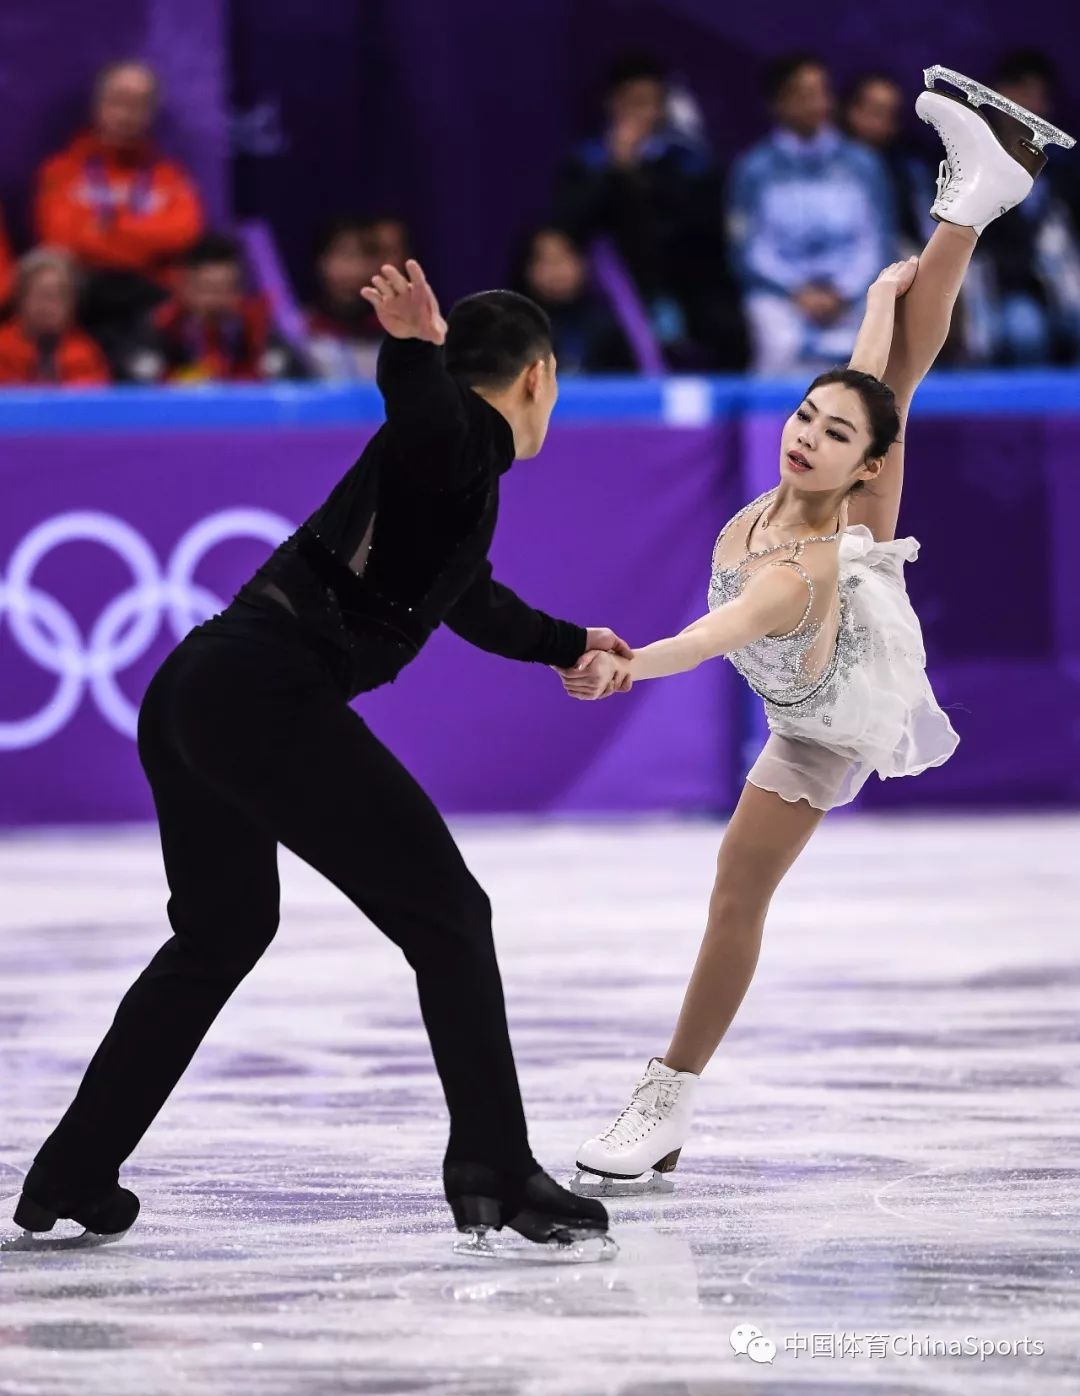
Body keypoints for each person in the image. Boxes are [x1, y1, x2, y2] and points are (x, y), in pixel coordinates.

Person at [13, 264, 627, 1258]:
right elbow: (431, 422)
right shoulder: (459, 438)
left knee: (223, 931)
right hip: (262, 694)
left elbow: (469, 598)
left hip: (197, 690)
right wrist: (414, 347)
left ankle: (76, 1169)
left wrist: (571, 640)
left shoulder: (456, 481)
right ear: (539, 377)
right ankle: (496, 1166)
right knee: (449, 915)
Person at [560, 70, 1074, 1193]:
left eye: (830, 436)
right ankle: (973, 200)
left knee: (735, 894)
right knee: (894, 371)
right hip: (833, 602)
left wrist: (631, 660)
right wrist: (887, 302)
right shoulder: (820, 482)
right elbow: (864, 378)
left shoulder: (797, 567)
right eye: (802, 417)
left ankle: (664, 1099)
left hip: (830, 705)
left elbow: (716, 631)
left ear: (864, 470)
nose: (802, 436)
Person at [552, 54, 731, 366]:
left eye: (651, 103)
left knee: (722, 323)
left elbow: (702, 223)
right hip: (606, 289)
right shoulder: (587, 162)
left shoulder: (684, 160)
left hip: (680, 282)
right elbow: (570, 223)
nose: (643, 114)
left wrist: (642, 178)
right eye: (633, 102)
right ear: (613, 104)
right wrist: (618, 169)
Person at [728, 54, 897, 374]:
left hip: (853, 295)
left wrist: (843, 292)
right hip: (781, 299)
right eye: (802, 94)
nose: (816, 103)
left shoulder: (863, 165)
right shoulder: (753, 170)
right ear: (777, 104)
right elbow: (747, 251)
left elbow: (876, 242)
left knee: (871, 359)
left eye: (821, 92)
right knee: (781, 345)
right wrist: (797, 292)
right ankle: (769, 426)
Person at [34, 59, 204, 342]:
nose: (127, 114)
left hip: (151, 299)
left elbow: (184, 235)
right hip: (83, 298)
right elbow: (60, 239)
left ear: (151, 113)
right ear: (97, 106)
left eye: (139, 104)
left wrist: (109, 229)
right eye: (118, 101)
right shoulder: (60, 172)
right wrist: (145, 241)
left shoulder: (172, 177)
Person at [968, 51, 1080, 364]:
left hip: (1066, 281)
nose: (1035, 104)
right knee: (1025, 330)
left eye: (1040, 96)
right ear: (1000, 95)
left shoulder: (1065, 169)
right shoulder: (974, 161)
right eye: (1025, 93)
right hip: (1006, 287)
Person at [121, 233, 299, 383]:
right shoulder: (158, 327)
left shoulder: (260, 328)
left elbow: (291, 378)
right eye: (207, 290)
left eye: (227, 290)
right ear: (184, 288)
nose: (217, 302)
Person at [514, 226, 634, 374]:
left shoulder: (606, 327)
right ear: (527, 270)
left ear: (582, 262)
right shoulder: (514, 329)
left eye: (562, 258)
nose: (555, 270)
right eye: (544, 260)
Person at [306, 215, 412, 380]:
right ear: (321, 262)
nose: (353, 270)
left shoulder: (405, 332)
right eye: (344, 255)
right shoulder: (299, 331)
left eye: (365, 256)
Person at [843, 72, 931, 252]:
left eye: (890, 116)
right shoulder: (826, 164)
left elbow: (928, 230)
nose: (882, 124)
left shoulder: (909, 171)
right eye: (875, 112)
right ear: (851, 111)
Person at [0, 249, 110, 387]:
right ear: (20, 298)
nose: (49, 306)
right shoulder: (2, 350)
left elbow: (89, 404)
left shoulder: (86, 356)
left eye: (59, 296)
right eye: (41, 295)